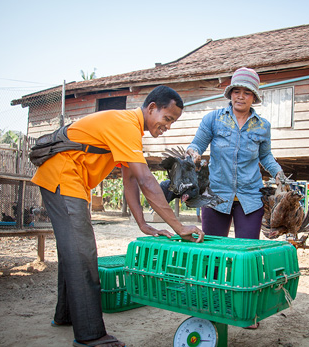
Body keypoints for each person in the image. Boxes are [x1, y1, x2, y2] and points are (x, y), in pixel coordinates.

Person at [32, 85, 204, 347]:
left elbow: (131, 182)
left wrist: (143, 223)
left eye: (172, 121)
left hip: (69, 182)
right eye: (167, 118)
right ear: (151, 108)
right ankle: (91, 336)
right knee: (82, 253)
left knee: (73, 250)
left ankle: (66, 315)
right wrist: (179, 226)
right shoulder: (125, 124)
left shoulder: (129, 131)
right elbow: (147, 180)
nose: (167, 126)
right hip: (63, 178)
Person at [187, 67, 285, 240]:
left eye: (247, 93)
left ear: (253, 97)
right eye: (236, 91)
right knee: (212, 252)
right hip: (215, 195)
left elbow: (265, 156)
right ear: (230, 94)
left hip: (250, 198)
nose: (240, 96)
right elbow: (196, 145)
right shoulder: (213, 119)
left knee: (246, 251)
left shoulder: (263, 126)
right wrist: (193, 154)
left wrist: (278, 172)